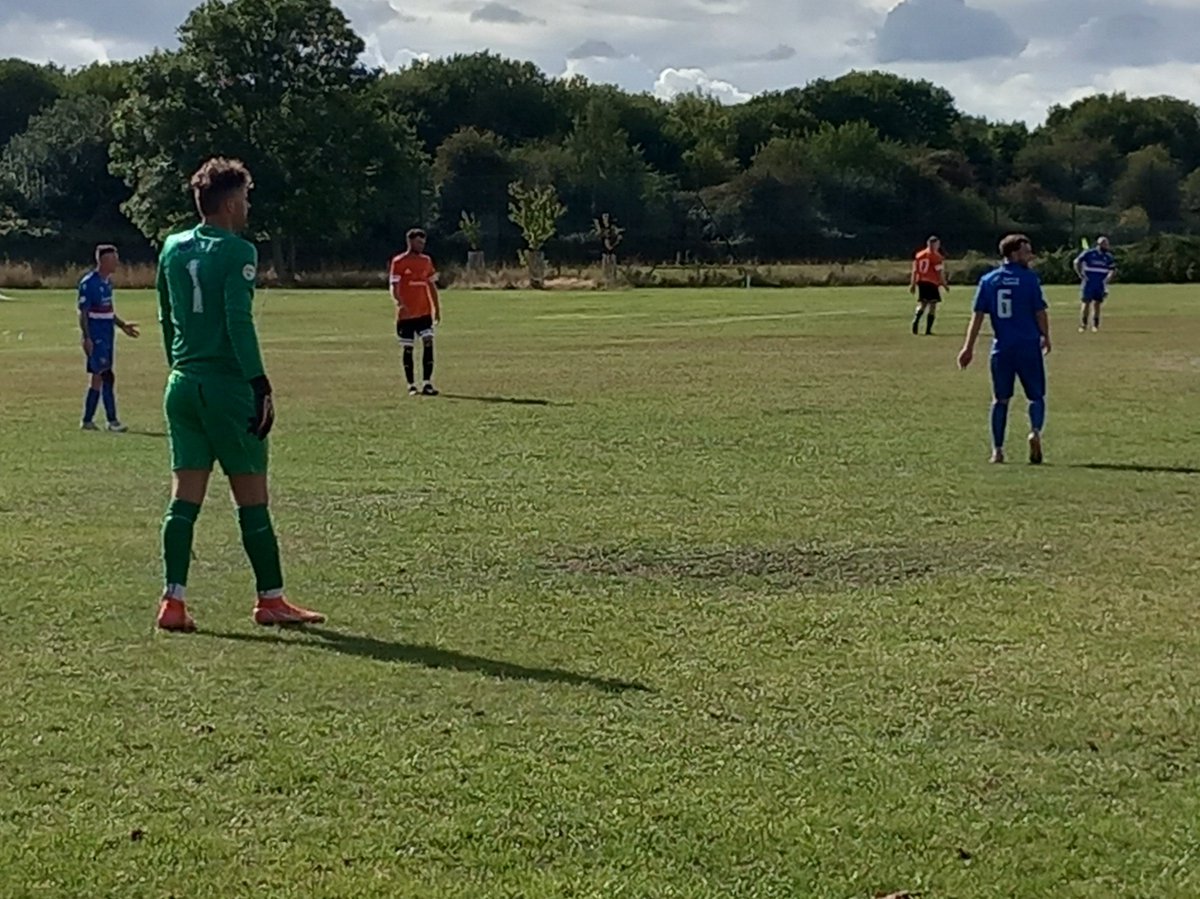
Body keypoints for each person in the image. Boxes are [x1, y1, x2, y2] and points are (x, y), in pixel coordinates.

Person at [154, 157, 325, 632]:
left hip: (182, 384)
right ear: (230, 204)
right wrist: (259, 383)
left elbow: (166, 318)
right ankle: (270, 599)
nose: (247, 207)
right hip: (227, 387)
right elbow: (236, 321)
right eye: (245, 199)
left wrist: (182, 368)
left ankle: (173, 601)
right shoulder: (237, 252)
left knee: (183, 499)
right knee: (251, 498)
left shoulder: (170, 248)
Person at [957, 234, 1052, 465]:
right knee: (1036, 396)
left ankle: (997, 451)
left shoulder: (988, 280)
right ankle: (1035, 431)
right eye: (1026, 252)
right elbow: (1040, 311)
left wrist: (967, 348)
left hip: (1002, 348)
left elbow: (977, 317)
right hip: (1028, 345)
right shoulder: (1029, 279)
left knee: (1000, 399)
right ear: (1014, 254)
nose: (1030, 256)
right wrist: (1046, 336)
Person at [78, 245, 139, 431]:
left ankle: (88, 420)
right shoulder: (89, 283)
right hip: (96, 336)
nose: (117, 262)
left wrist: (122, 325)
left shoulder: (107, 283)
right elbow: (83, 313)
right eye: (113, 258)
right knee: (105, 375)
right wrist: (86, 337)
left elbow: (107, 311)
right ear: (103, 261)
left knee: (100, 376)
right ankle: (112, 421)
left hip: (107, 335)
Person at [389, 228, 441, 396]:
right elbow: (394, 286)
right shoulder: (398, 261)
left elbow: (432, 285)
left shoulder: (426, 261)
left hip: (424, 312)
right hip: (406, 315)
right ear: (410, 242)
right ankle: (411, 384)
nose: (422, 245)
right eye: (419, 242)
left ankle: (427, 383)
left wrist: (436, 308)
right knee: (408, 348)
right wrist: (399, 303)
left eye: (423, 242)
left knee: (428, 342)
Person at [1074, 236, 1116, 332]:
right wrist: (1080, 274)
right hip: (1089, 282)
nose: (1107, 246)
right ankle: (1083, 325)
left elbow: (1112, 269)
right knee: (1086, 303)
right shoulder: (1089, 253)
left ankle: (1095, 325)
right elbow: (1076, 262)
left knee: (1097, 304)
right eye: (1105, 244)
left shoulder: (1108, 256)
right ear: (1099, 244)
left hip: (1100, 283)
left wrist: (1108, 278)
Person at [909, 235, 949, 335]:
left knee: (922, 304)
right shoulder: (936, 256)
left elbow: (915, 271)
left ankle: (916, 321)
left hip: (921, 281)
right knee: (933, 305)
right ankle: (928, 330)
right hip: (932, 282)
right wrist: (944, 284)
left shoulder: (919, 255)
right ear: (935, 244)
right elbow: (939, 272)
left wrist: (913, 283)